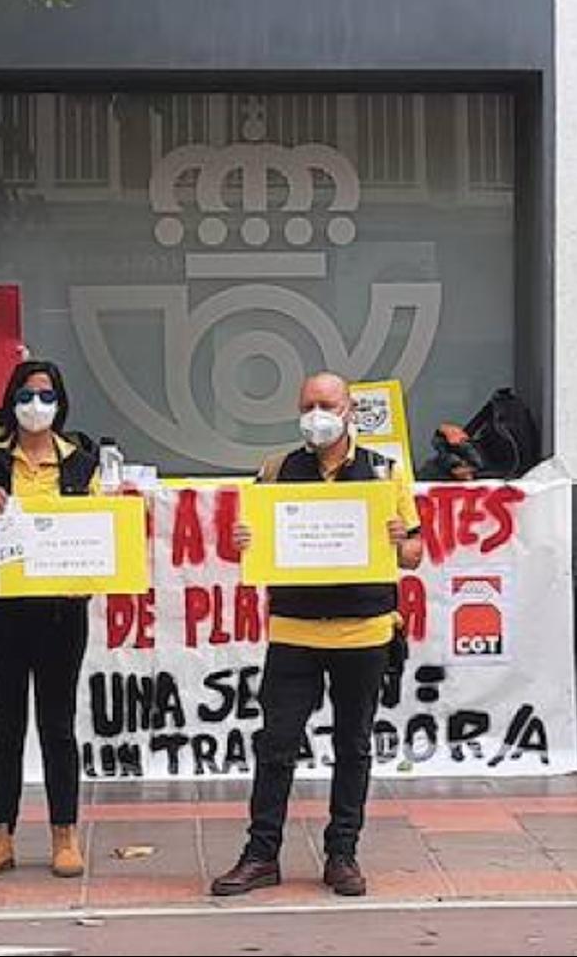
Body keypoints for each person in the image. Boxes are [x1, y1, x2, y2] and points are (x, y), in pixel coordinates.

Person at [211, 372, 426, 900]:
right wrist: (242, 539)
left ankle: (342, 854)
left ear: (350, 409)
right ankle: (261, 855)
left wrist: (401, 541)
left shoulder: (385, 471)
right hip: (294, 630)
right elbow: (249, 542)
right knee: (276, 745)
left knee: (353, 746)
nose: (317, 414)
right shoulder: (278, 469)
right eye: (308, 405)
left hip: (364, 630)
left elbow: (415, 553)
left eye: (327, 404)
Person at [0, 361, 101, 881]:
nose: (35, 404)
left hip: (62, 609)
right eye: (25, 393)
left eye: (45, 394)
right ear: (9, 399)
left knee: (58, 725)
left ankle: (65, 834)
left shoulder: (83, 463)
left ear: (60, 401)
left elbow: (102, 532)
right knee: (5, 727)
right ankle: (0, 837)